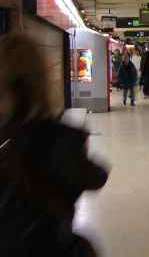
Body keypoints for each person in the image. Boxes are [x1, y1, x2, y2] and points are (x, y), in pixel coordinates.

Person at [0, 33, 109, 257]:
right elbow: (95, 176)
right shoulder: (60, 138)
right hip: (50, 245)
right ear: (41, 80)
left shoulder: (8, 139)